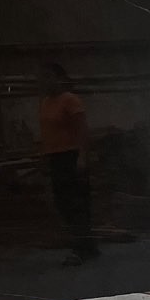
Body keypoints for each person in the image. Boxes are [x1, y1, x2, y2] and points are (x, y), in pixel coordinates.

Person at [39, 63, 98, 265]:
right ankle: (87, 246)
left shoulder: (70, 100)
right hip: (55, 157)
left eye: (49, 77)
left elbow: (82, 131)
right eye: (43, 78)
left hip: (70, 156)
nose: (45, 82)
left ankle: (81, 248)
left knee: (76, 203)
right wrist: (44, 157)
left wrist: (82, 157)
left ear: (60, 78)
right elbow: (46, 132)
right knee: (62, 203)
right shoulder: (46, 102)